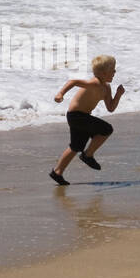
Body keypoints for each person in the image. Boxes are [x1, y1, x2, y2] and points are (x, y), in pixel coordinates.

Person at [49, 55, 123, 185]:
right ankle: (88, 155)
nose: (115, 72)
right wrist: (60, 94)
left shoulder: (106, 88)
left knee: (75, 146)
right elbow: (73, 81)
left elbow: (110, 108)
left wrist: (118, 95)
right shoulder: (93, 83)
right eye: (113, 70)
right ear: (104, 73)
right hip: (77, 116)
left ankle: (57, 172)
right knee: (106, 129)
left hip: (78, 117)